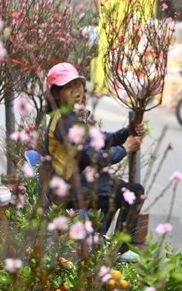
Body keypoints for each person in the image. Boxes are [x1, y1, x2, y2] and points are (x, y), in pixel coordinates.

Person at [41, 62, 145, 240]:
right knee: (133, 192)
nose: (76, 91)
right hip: (72, 189)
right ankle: (117, 249)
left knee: (122, 191)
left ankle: (100, 241)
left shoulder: (77, 114)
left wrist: (127, 131)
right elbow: (88, 157)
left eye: (78, 84)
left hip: (85, 184)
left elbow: (100, 138)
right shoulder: (64, 121)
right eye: (68, 88)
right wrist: (125, 148)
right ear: (57, 95)